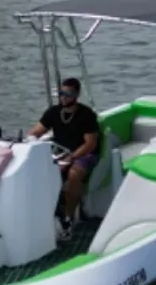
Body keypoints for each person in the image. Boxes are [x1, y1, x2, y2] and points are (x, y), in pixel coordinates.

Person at [30, 77, 102, 225]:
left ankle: (68, 218)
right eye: (61, 93)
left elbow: (90, 144)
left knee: (74, 174)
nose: (63, 97)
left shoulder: (86, 115)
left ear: (76, 95)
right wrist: (29, 141)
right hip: (60, 152)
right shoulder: (53, 112)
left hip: (84, 154)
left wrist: (71, 158)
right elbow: (36, 132)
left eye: (67, 94)